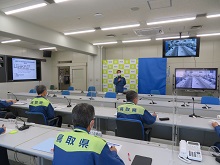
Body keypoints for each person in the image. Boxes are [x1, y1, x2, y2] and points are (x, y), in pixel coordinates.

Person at [53, 103, 125, 165]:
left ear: (73, 120)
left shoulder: (59, 137)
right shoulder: (98, 144)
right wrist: (113, 153)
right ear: (92, 123)